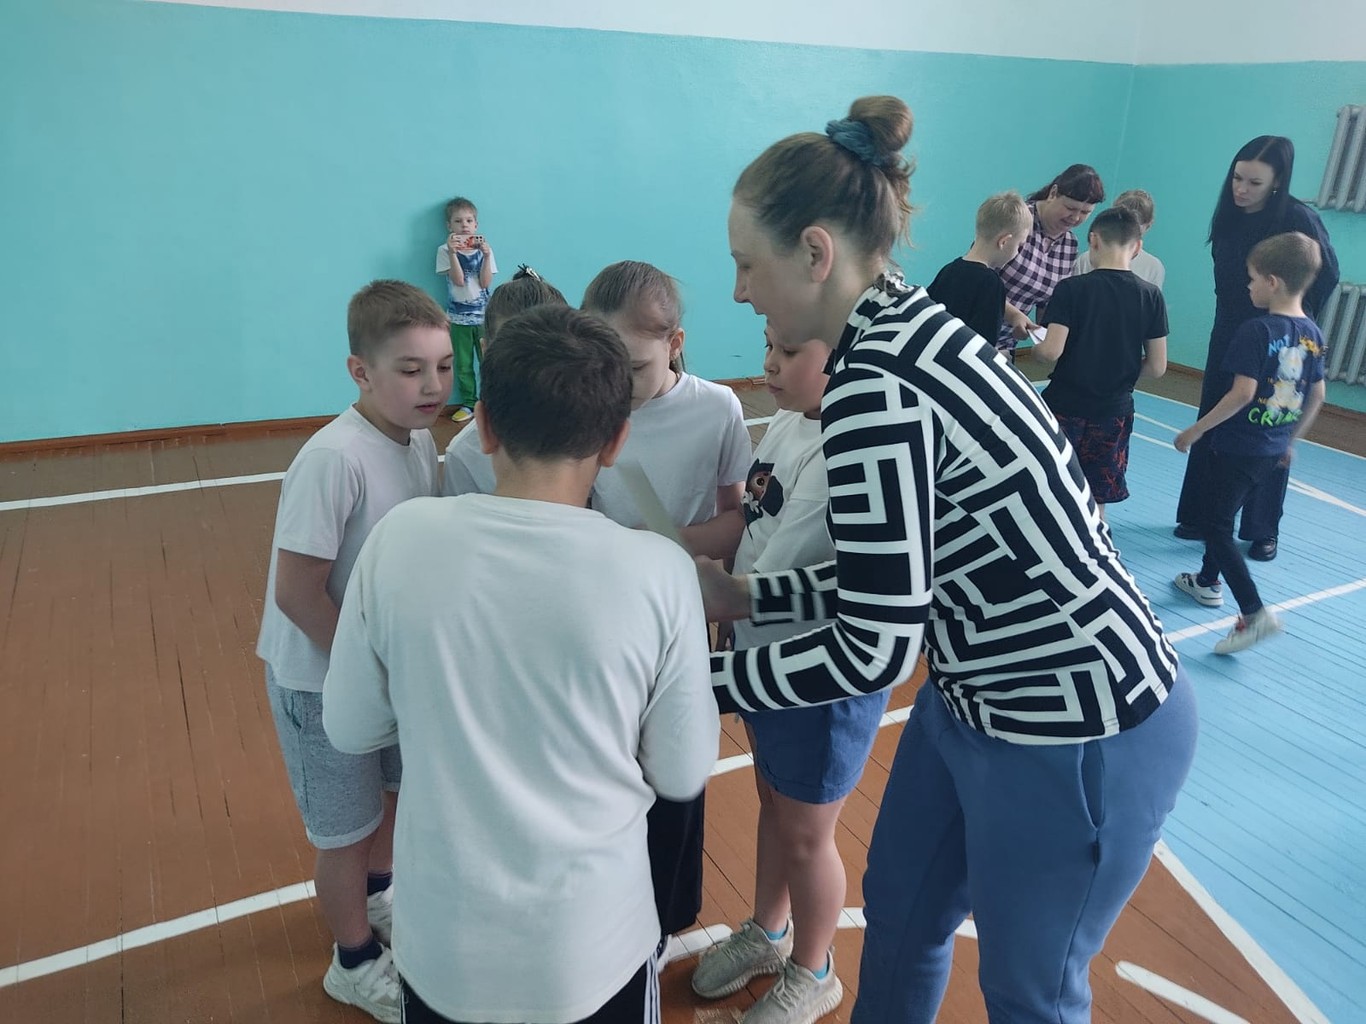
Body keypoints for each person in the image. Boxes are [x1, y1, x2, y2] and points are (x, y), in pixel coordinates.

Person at [701, 95, 1198, 1024]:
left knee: (1027, 994)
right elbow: (898, 577)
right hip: (969, 695)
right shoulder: (898, 327)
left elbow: (872, 650)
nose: (740, 292)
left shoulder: (875, 386)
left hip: (1075, 723)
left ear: (814, 252)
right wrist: (748, 593)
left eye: (745, 264)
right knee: (900, 917)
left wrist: (693, 684)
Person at [322, 305, 719, 1024]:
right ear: (616, 440)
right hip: (593, 948)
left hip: (442, 947)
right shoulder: (658, 571)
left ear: (485, 428)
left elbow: (350, 726)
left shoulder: (400, 540)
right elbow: (682, 772)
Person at [255, 280, 452, 1023]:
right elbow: (296, 592)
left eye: (443, 367)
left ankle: (376, 898)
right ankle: (353, 960)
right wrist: (367, 669)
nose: (432, 386)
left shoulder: (419, 440)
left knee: (391, 799)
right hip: (321, 681)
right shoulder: (333, 459)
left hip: (383, 675)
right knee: (345, 832)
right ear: (360, 372)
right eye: (411, 369)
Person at [690, 325, 889, 1023]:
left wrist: (714, 597)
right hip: (764, 658)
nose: (769, 364)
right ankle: (769, 931)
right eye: (768, 346)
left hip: (819, 678)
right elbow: (753, 525)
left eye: (790, 352)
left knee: (808, 833)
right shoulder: (787, 422)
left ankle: (815, 969)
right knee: (774, 802)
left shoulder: (844, 449)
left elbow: (777, 572)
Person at [581, 260, 752, 957]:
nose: (617, 384)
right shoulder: (589, 404)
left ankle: (663, 918)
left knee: (677, 769)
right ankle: (605, 910)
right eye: (604, 364)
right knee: (605, 768)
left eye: (633, 366)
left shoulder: (717, 409)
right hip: (598, 623)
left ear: (675, 343)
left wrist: (661, 550)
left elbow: (737, 521)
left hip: (678, 622)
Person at [1173, 136, 1338, 559]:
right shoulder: (1229, 215)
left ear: (1277, 182)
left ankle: (1262, 528)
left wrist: (1292, 322)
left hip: (1280, 342)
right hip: (1230, 331)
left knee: (1269, 426)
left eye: (1255, 183)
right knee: (1217, 416)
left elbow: (1326, 274)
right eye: (1238, 178)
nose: (1242, 189)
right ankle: (1202, 515)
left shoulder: (1299, 219)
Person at [1173, 232, 1326, 654]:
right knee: (1224, 510)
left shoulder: (1256, 330)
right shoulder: (1312, 333)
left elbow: (1241, 394)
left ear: (1273, 282)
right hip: (1271, 449)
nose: (1248, 286)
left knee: (1216, 526)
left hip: (1238, 445)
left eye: (1253, 278)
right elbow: (1317, 395)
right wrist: (1290, 440)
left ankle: (1254, 613)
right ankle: (1207, 581)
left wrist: (1196, 429)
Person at [1033, 207, 1169, 520]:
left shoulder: (1070, 289)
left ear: (1093, 240)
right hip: (1114, 411)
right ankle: (1093, 544)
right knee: (1097, 496)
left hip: (1064, 405)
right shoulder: (1151, 296)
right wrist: (1120, 376)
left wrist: (1036, 348)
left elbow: (1051, 352)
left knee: (1052, 484)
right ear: (1137, 247)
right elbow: (1158, 366)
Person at [441, 266, 568, 497]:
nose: (532, 367)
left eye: (549, 348)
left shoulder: (592, 430)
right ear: (485, 351)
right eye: (514, 351)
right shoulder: (465, 454)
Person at [996, 164, 1105, 360]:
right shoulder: (1017, 219)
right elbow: (977, 278)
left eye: (1085, 212)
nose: (1075, 217)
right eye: (1070, 208)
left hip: (1005, 344)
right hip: (971, 330)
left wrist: (1051, 336)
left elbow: (1047, 304)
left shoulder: (1070, 244)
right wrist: (1014, 315)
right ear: (1053, 193)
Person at [926, 191, 1031, 341]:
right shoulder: (992, 284)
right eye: (1019, 246)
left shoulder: (948, 270)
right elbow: (984, 344)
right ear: (1004, 241)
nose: (1017, 253)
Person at [436, 196, 498, 423]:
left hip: (484, 318)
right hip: (458, 318)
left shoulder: (485, 250)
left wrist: (487, 256)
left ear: (476, 224)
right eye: (458, 221)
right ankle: (469, 403)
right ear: (449, 226)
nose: (464, 225)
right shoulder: (444, 250)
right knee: (463, 364)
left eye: (469, 221)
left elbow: (485, 283)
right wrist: (453, 253)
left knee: (487, 361)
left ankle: (490, 402)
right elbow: (459, 280)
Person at [1072, 189, 1166, 288]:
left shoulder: (1153, 267)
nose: (1127, 229)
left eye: (1135, 225)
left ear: (1148, 226)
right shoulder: (1086, 259)